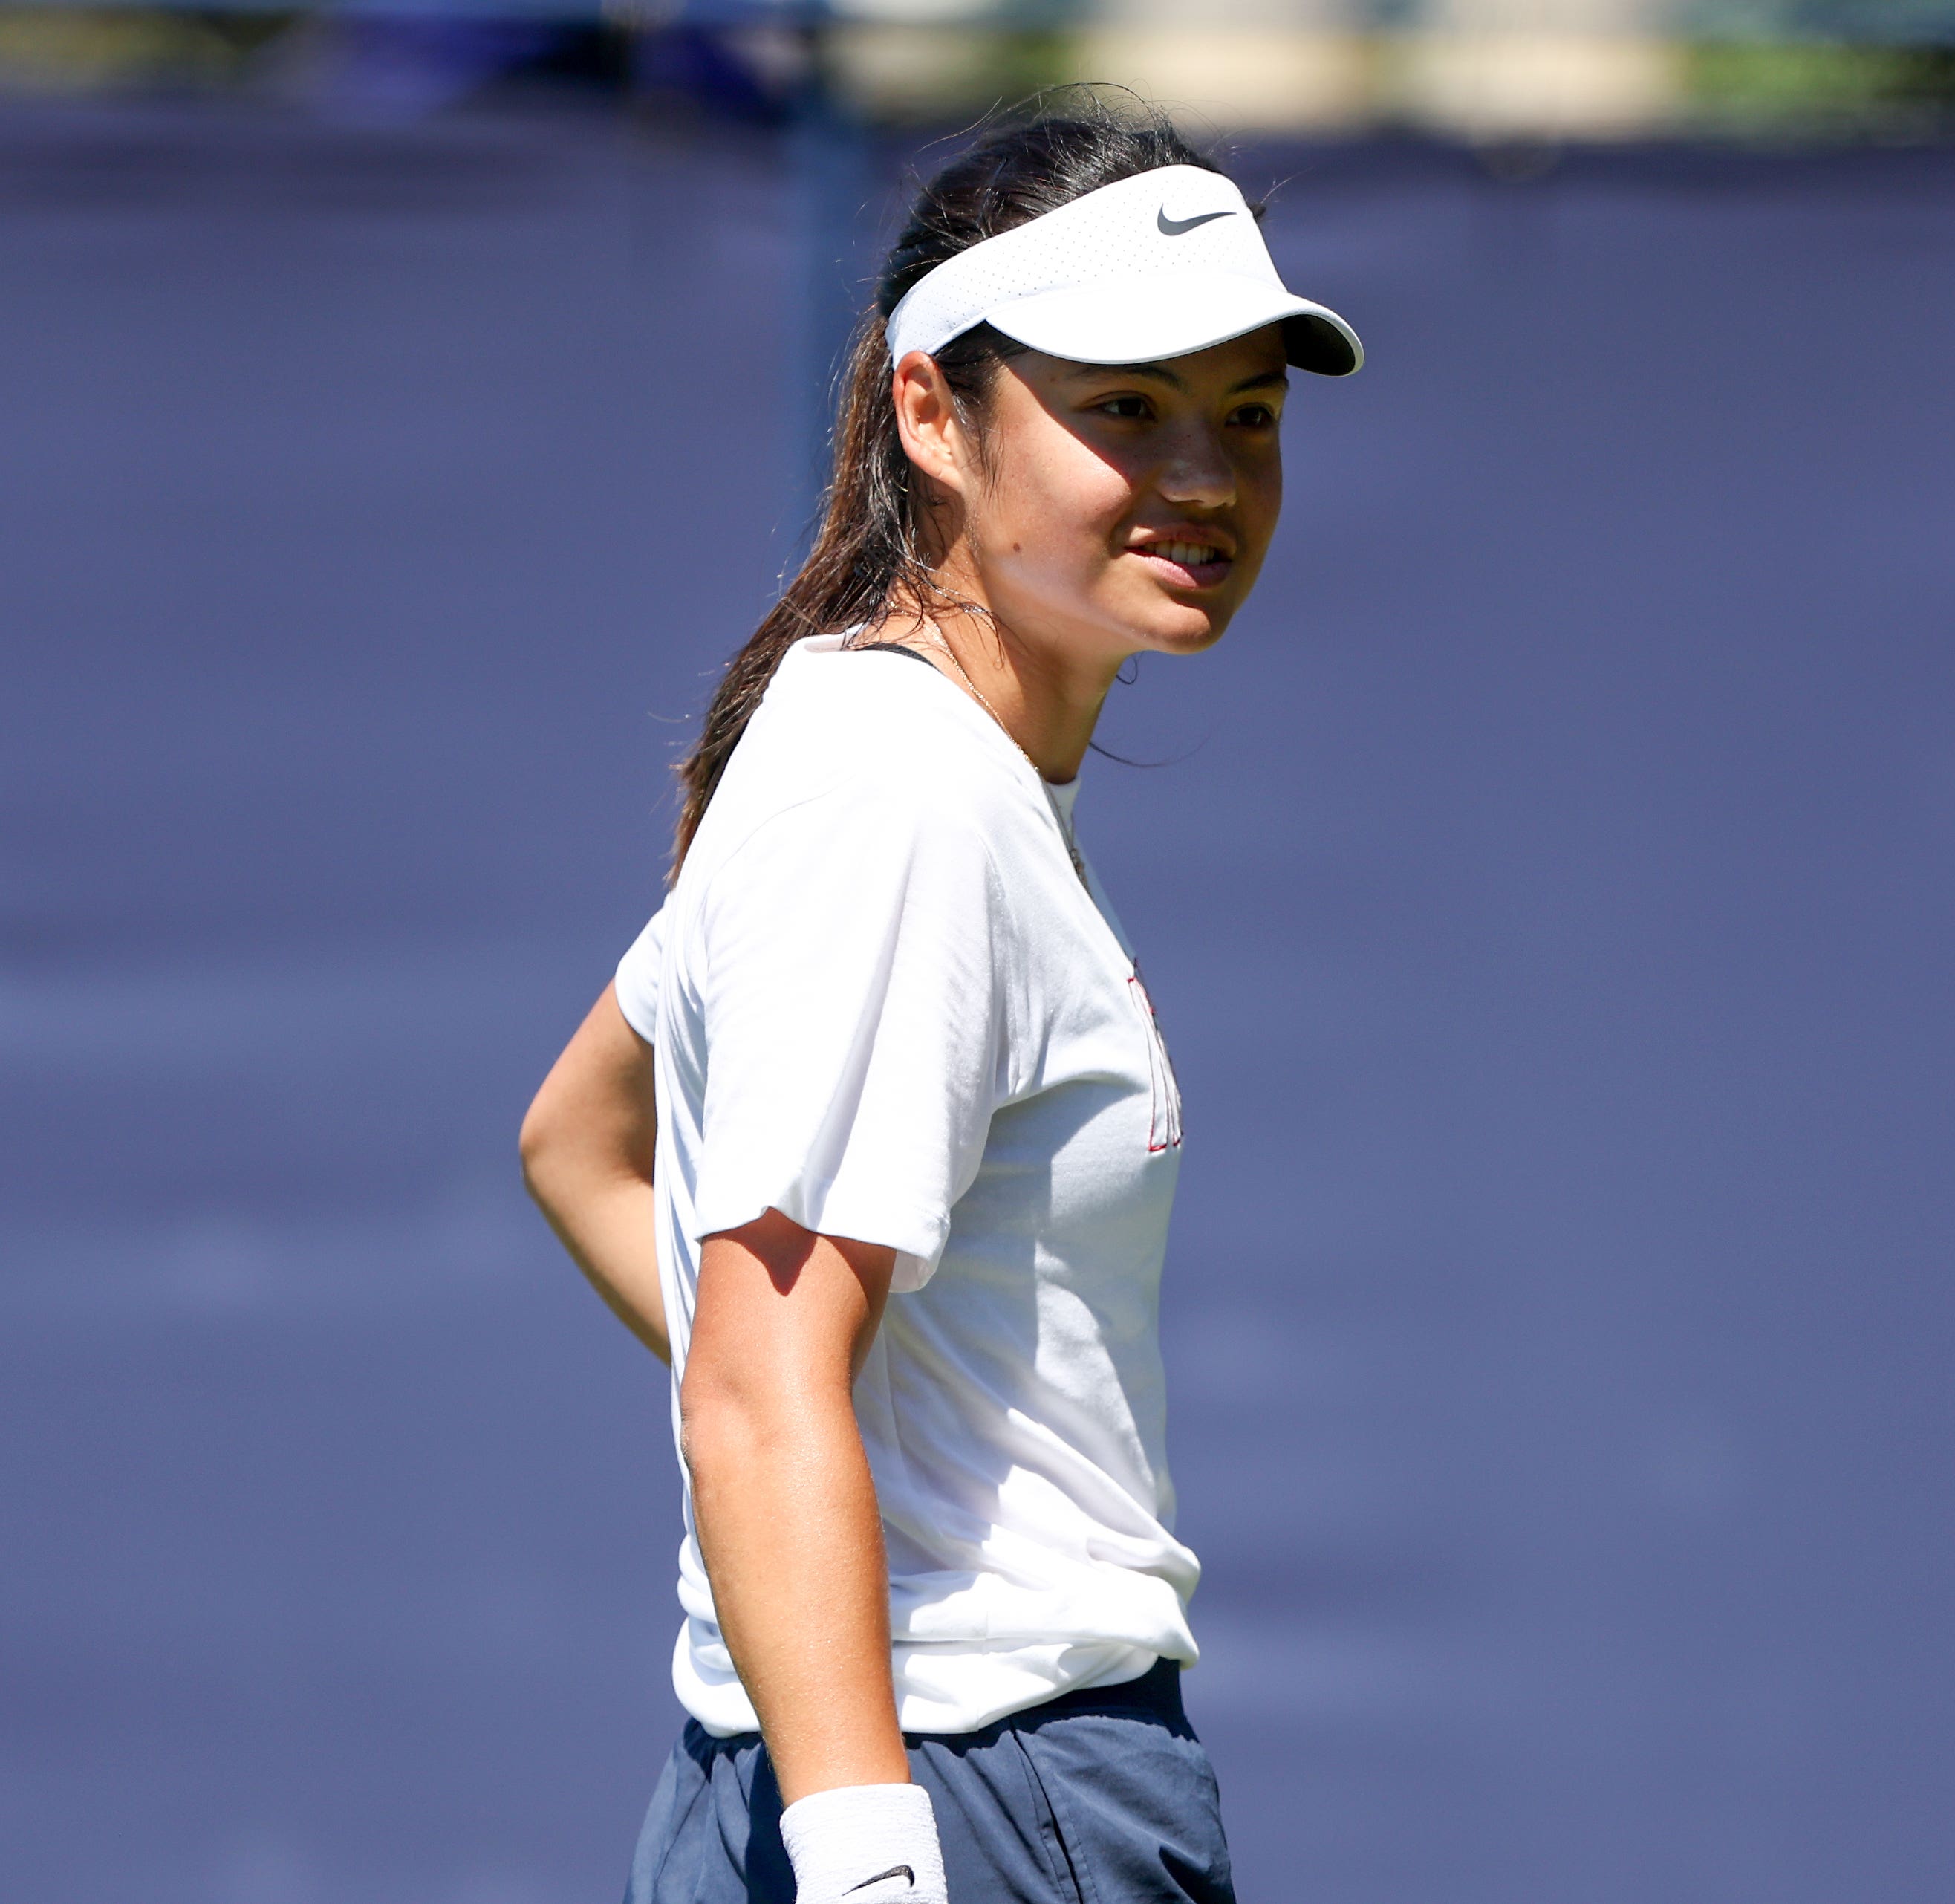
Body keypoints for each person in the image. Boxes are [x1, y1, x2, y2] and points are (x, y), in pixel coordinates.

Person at [517, 98, 1362, 1904]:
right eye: (1123, 407)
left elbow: (579, 1140)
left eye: (1248, 412)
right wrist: (873, 1853)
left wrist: (872, 1452)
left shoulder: (875, 747)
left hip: (899, 1774)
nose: (1204, 476)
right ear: (931, 411)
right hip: (962, 1802)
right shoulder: (898, 796)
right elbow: (755, 1383)